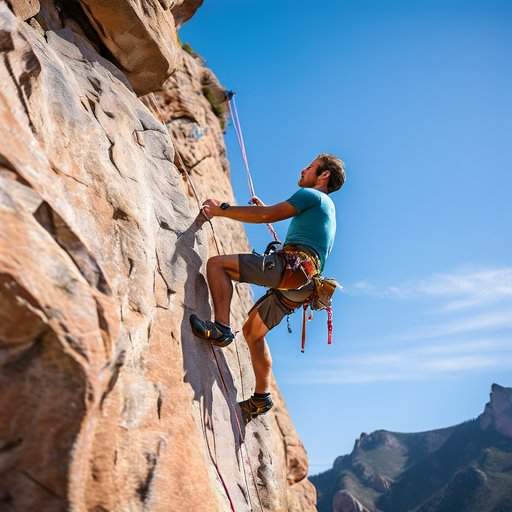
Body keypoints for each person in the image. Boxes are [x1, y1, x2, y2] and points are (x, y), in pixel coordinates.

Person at [190, 154, 346, 421]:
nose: (303, 168)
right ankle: (261, 398)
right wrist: (268, 212)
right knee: (253, 332)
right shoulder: (325, 207)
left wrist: (221, 209)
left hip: (291, 269)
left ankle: (222, 329)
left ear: (323, 176)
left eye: (309, 166)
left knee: (217, 266)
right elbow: (293, 227)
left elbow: (267, 214)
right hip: (302, 284)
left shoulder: (312, 196)